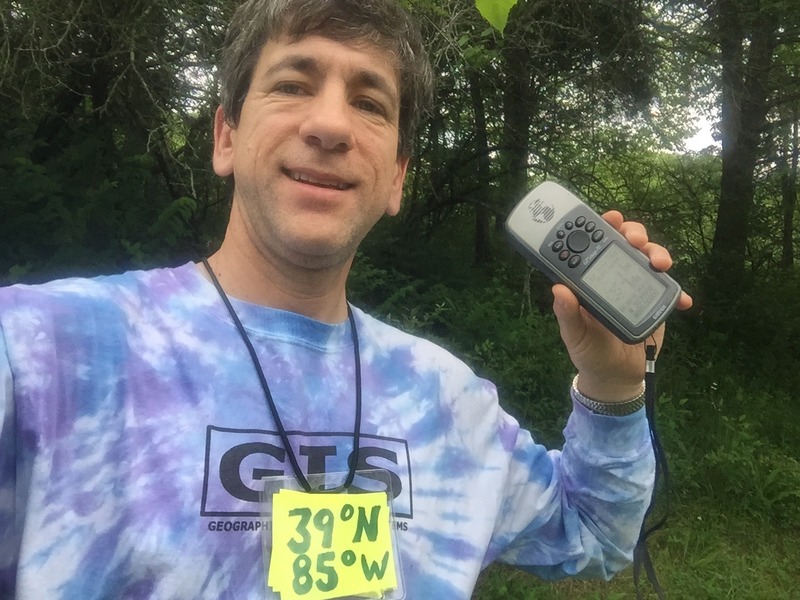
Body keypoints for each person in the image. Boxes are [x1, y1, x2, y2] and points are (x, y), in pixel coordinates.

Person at [0, 0, 693, 598]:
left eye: (369, 102)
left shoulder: (446, 400)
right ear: (226, 137)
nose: (330, 125)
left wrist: (611, 384)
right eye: (293, 84)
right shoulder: (39, 351)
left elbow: (595, 533)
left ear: (396, 178)